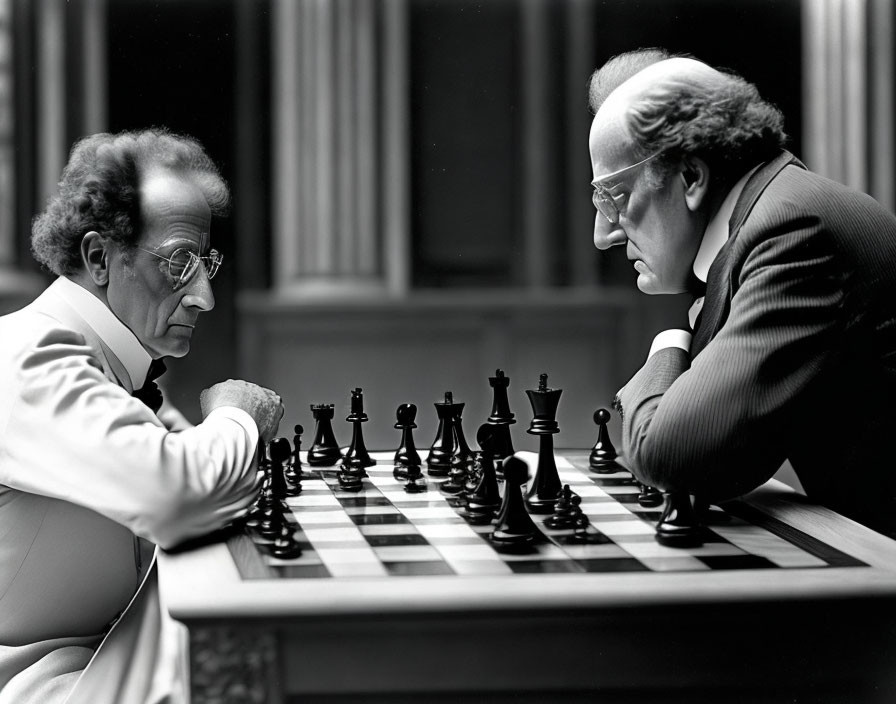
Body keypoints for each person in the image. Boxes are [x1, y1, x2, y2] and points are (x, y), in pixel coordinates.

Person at [0, 129, 285, 703]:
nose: (203, 295)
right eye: (179, 262)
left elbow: (186, 468)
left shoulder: (120, 361)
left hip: (104, 662)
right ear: (100, 257)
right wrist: (238, 418)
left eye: (207, 262)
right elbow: (177, 494)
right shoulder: (29, 356)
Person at [587, 51, 896, 539]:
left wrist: (671, 339)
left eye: (613, 196)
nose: (604, 234)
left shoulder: (792, 230)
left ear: (690, 177)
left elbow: (670, 453)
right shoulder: (772, 215)